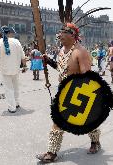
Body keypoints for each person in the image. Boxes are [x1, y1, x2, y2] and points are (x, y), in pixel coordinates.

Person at [37, 22, 102, 163]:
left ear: (72, 35)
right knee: (57, 121)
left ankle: (95, 142)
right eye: (59, 32)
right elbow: (62, 69)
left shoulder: (81, 52)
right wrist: (49, 61)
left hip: (78, 93)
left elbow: (87, 76)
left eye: (63, 32)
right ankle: (51, 152)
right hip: (63, 92)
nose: (59, 35)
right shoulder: (61, 51)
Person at [0, 26, 27, 113]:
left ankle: (12, 107)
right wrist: (24, 66)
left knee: (8, 89)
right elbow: (23, 56)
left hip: (5, 70)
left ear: (0, 34)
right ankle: (17, 103)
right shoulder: (16, 41)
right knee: (16, 87)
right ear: (9, 33)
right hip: (16, 69)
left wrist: (1, 57)